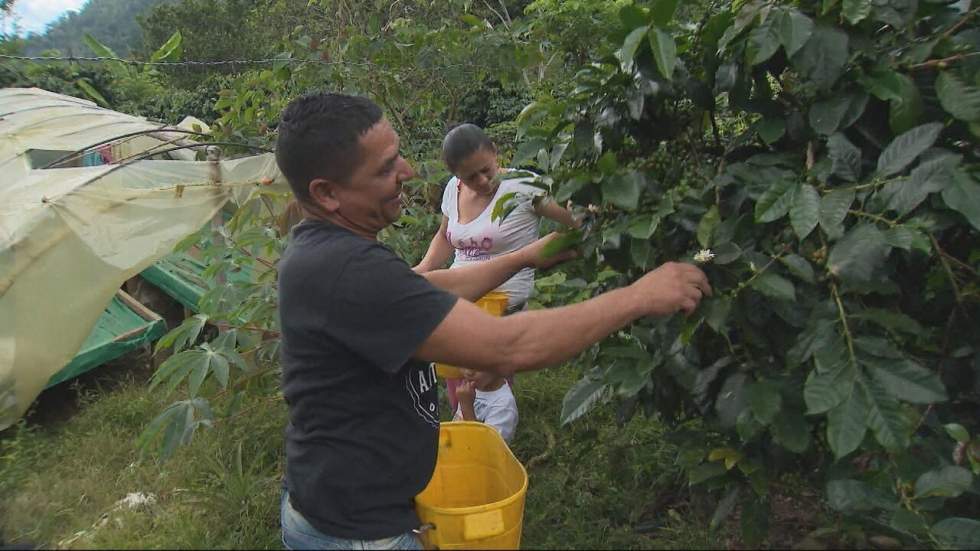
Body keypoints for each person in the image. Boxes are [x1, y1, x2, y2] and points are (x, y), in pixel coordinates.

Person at [274, 92, 711, 550]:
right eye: (385, 168)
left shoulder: (329, 251)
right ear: (327, 192)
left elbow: (426, 292)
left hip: (344, 508)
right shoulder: (345, 268)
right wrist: (640, 296)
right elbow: (508, 346)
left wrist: (524, 257)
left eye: (398, 154)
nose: (406, 172)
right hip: (359, 532)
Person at [414, 123, 579, 412]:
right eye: (470, 176)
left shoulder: (525, 186)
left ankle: (492, 448)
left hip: (500, 310)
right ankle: (468, 446)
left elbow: (576, 222)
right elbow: (444, 236)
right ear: (456, 176)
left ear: (495, 152)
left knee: (490, 398)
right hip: (458, 306)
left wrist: (562, 241)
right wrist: (424, 268)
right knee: (461, 392)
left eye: (486, 169)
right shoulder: (453, 190)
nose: (482, 180)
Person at [453, 367, 518, 443]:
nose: (468, 372)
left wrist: (467, 407)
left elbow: (486, 448)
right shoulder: (471, 388)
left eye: (477, 365)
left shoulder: (504, 405)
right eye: (464, 364)